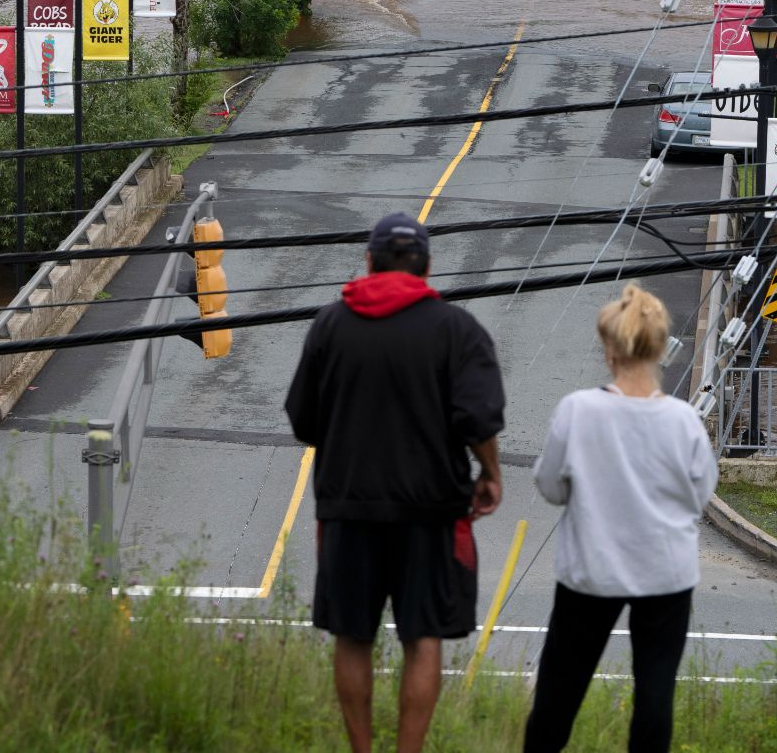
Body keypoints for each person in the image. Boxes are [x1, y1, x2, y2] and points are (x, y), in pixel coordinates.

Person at [285, 212, 506, 753]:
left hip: (348, 507)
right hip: (430, 512)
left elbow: (302, 421)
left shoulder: (330, 326)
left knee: (353, 636)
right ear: (427, 268)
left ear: (368, 262)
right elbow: (478, 420)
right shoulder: (457, 330)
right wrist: (490, 475)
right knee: (422, 636)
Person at [521, 284, 718, 753]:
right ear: (660, 348)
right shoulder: (683, 421)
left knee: (559, 692)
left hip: (591, 570)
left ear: (610, 349)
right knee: (654, 692)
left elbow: (550, 486)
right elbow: (699, 496)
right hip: (666, 574)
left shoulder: (578, 411)